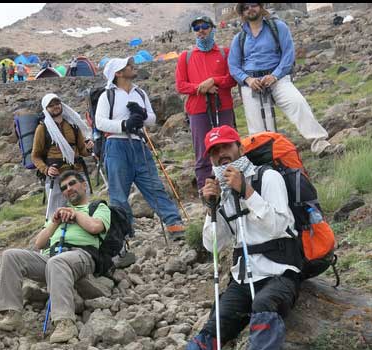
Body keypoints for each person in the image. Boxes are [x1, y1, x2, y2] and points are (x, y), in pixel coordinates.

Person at [135, 125, 302, 350]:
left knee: (264, 304)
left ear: (239, 148)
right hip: (244, 275)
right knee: (217, 322)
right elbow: (214, 244)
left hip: (280, 271)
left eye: (226, 147)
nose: (222, 156)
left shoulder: (268, 177)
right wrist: (210, 208)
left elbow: (278, 225)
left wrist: (247, 191)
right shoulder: (223, 193)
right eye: (215, 152)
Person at [0, 170, 110, 343]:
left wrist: (75, 215)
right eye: (64, 187)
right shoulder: (58, 213)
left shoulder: (97, 207)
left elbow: (95, 227)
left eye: (72, 183)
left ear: (84, 185)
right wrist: (55, 222)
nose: (68, 189)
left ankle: (64, 322)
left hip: (82, 254)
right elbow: (39, 244)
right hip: (52, 257)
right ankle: (12, 315)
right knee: (11, 255)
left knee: (57, 262)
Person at [94, 57, 186, 241]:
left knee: (154, 185)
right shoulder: (107, 95)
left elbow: (151, 118)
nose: (132, 67)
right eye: (127, 66)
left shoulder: (140, 93)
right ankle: (125, 232)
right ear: (118, 73)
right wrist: (124, 124)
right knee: (118, 193)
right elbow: (100, 122)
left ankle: (174, 224)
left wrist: (141, 114)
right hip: (116, 145)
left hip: (138, 143)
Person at [228, 3, 329, 146]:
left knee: (298, 103)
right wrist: (248, 80)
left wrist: (275, 75)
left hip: (277, 78)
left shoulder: (278, 27)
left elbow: (288, 54)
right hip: (252, 83)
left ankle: (320, 143)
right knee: (257, 128)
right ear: (242, 13)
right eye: (245, 7)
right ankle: (265, 158)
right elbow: (233, 65)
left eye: (254, 4)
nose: (250, 9)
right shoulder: (239, 38)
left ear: (261, 7)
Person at [176, 16, 237, 192]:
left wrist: (213, 81)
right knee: (203, 152)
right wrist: (201, 88)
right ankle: (208, 194)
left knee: (229, 147)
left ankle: (234, 187)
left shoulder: (224, 52)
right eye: (196, 28)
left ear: (212, 28)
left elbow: (232, 79)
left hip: (223, 107)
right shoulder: (185, 57)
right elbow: (181, 85)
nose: (200, 30)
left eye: (204, 26)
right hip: (198, 110)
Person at [33, 93, 94, 219]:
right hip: (56, 175)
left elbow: (82, 151)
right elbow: (35, 156)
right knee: (55, 215)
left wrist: (88, 149)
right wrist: (46, 170)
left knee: (84, 209)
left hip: (76, 171)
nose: (55, 107)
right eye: (51, 105)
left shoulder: (72, 125)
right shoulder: (42, 128)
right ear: (46, 109)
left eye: (57, 103)